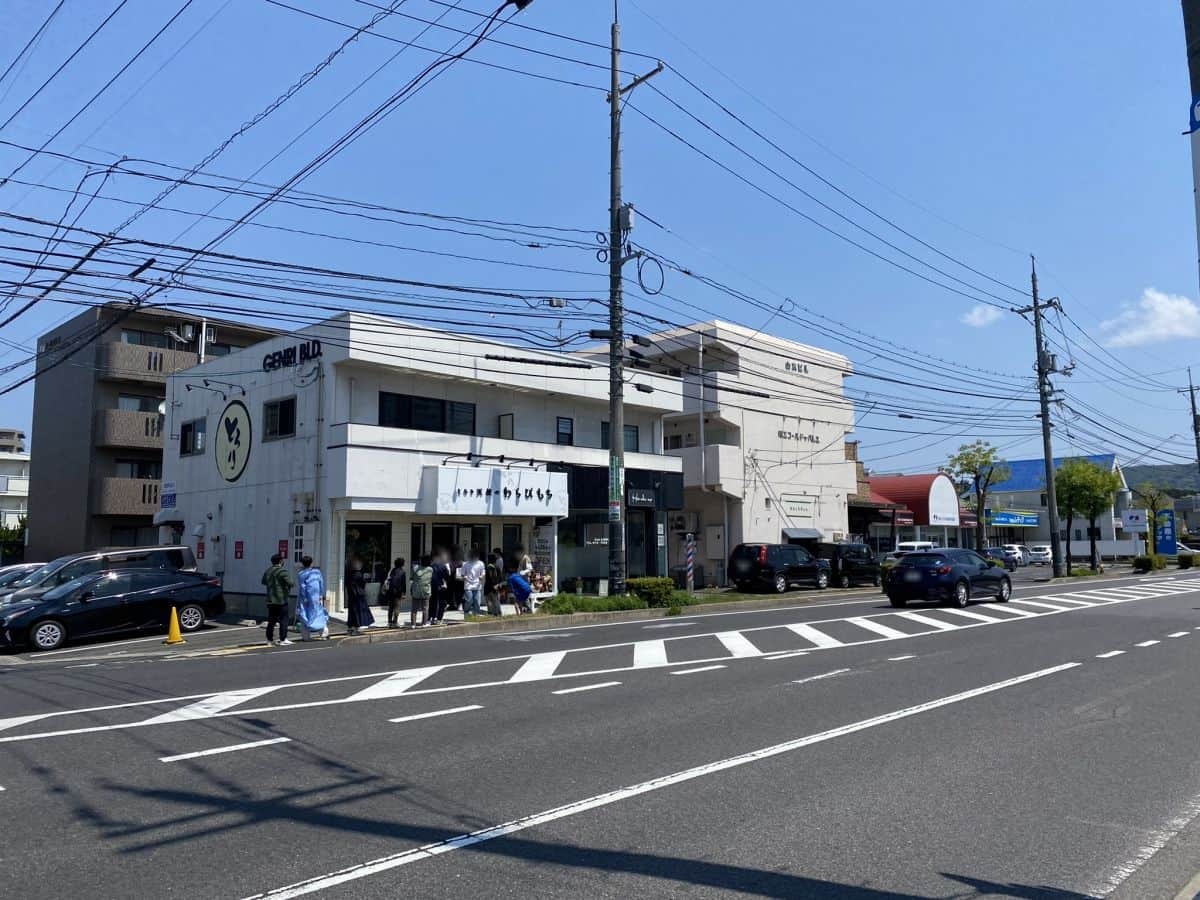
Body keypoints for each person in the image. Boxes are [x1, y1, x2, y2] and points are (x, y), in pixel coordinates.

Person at [261, 554, 294, 646]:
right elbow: (291, 583)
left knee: (271, 620)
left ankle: (269, 639)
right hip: (281, 599)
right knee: (284, 619)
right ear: (280, 561)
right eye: (283, 560)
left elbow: (263, 582)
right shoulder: (282, 571)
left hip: (270, 599)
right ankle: (283, 639)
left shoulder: (268, 571)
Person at [296, 555, 329, 641]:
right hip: (317, 597)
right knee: (319, 614)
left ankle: (306, 636)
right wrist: (321, 594)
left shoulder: (301, 574)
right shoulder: (317, 572)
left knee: (305, 615)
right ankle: (324, 633)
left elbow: (302, 586)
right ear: (311, 563)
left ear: (302, 564)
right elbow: (321, 583)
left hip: (306, 598)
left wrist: (304, 597)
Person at [344, 557, 374, 635]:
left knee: (352, 611)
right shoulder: (358, 574)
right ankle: (356, 627)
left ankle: (350, 627)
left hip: (351, 595)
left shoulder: (348, 574)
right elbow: (362, 583)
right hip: (358, 595)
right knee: (359, 611)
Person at [428, 549, 451, 625]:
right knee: (442, 603)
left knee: (432, 602)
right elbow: (447, 577)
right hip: (441, 586)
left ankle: (431, 618)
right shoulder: (443, 566)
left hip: (431, 586)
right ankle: (438, 619)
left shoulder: (429, 566)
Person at [461, 547, 485, 618]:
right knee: (469, 600)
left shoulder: (480, 563)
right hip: (468, 585)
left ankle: (476, 614)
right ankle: (466, 612)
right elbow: (462, 574)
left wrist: (482, 576)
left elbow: (483, 572)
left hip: (477, 585)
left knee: (477, 601)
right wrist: (464, 577)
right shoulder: (466, 564)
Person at [384, 557, 408, 628]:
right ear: (402, 564)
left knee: (390, 607)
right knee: (397, 607)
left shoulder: (392, 570)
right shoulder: (402, 572)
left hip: (390, 591)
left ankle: (389, 622)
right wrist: (404, 593)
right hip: (398, 592)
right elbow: (403, 584)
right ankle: (395, 622)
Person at [410, 555, 433, 628]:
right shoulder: (430, 569)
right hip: (426, 590)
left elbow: (411, 578)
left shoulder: (415, 568)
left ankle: (413, 624)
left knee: (414, 608)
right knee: (425, 608)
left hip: (416, 590)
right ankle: (424, 623)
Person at [484, 550, 503, 617]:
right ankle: (498, 613)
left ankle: (492, 614)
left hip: (489, 587)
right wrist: (498, 584)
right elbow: (500, 577)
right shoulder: (497, 566)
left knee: (490, 601)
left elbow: (492, 576)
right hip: (496, 587)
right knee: (496, 601)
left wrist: (494, 585)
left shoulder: (489, 567)